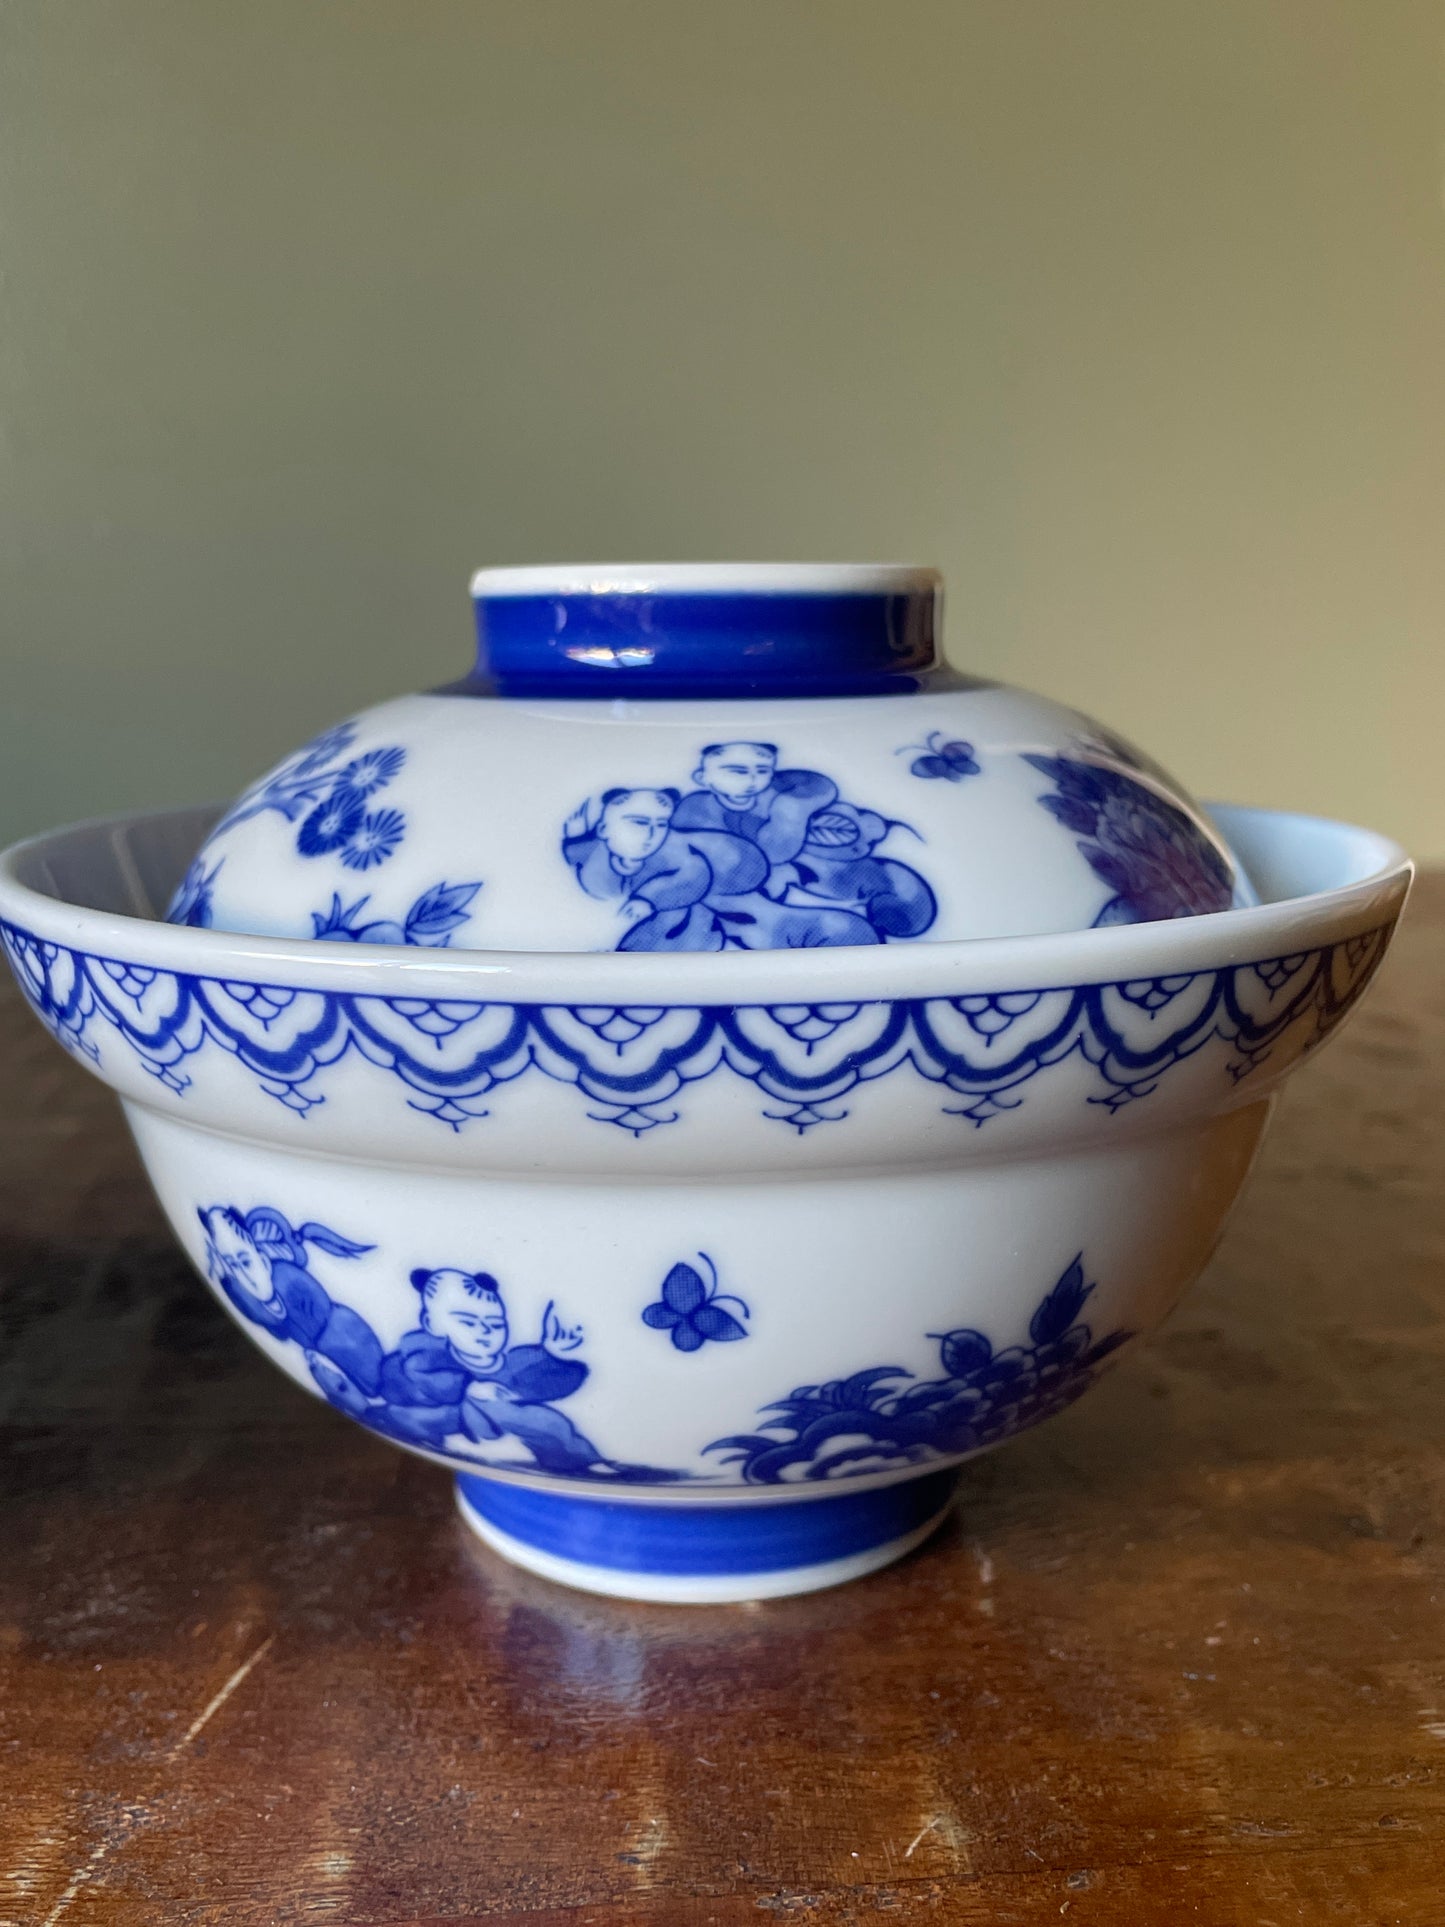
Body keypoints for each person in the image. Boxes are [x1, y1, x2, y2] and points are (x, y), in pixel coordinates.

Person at [376, 1268, 605, 1476]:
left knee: (548, 1423)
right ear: (431, 1323)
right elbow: (419, 1377)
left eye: (496, 1324)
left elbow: (529, 1376)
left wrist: (551, 1353)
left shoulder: (503, 1361)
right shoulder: (427, 1355)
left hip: (485, 1419)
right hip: (442, 1416)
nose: (485, 1331)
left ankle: (581, 1462)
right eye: (469, 1322)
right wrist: (469, 1388)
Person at [197, 1204, 384, 1414]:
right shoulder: (254, 1296)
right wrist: (227, 1281)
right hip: (327, 1357)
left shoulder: (287, 1277)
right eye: (232, 1265)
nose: (245, 1277)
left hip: (348, 1341)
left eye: (245, 1261)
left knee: (376, 1385)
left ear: (262, 1257)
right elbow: (273, 1325)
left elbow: (290, 1320)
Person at [562, 787, 769, 951]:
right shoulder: (597, 850)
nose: (652, 834)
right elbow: (579, 855)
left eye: (661, 824)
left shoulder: (672, 850)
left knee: (681, 919)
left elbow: (694, 875)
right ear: (603, 829)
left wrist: (648, 899)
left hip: (738, 872)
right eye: (639, 823)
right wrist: (574, 835)